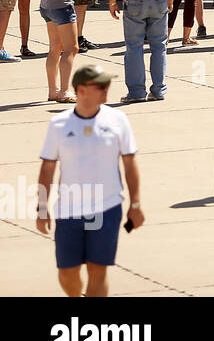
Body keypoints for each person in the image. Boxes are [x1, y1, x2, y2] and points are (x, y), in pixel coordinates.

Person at [35, 64, 142, 296]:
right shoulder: (59, 125)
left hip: (107, 207)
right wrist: (42, 207)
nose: (106, 90)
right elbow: (47, 168)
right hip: (69, 210)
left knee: (98, 270)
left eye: (107, 85)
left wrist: (135, 204)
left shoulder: (118, 119)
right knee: (67, 271)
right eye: (100, 86)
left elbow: (130, 163)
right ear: (81, 90)